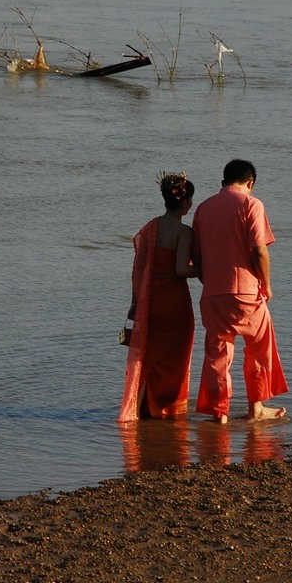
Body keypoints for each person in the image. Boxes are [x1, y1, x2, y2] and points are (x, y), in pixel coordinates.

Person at [191, 159, 288, 423]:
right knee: (259, 347)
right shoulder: (251, 204)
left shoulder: (203, 208)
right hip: (246, 292)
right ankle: (255, 409)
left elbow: (197, 259)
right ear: (250, 183)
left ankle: (218, 412)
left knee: (217, 353)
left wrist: (211, 283)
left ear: (223, 182)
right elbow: (259, 249)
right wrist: (266, 285)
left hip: (213, 293)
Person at [118, 172, 203, 423]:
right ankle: (164, 408)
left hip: (151, 301)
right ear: (185, 202)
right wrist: (204, 268)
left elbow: (139, 267)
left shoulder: (151, 227)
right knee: (175, 357)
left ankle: (138, 409)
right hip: (175, 302)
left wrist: (135, 302)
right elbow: (181, 270)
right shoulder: (184, 232)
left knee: (148, 356)